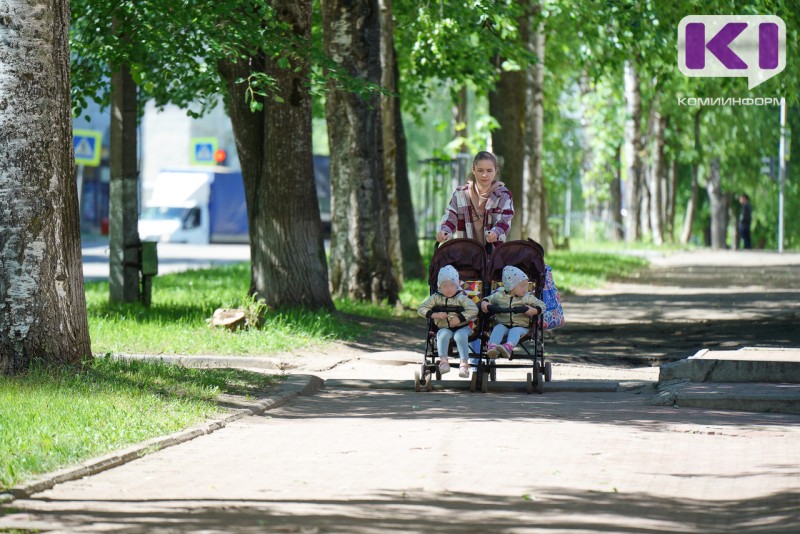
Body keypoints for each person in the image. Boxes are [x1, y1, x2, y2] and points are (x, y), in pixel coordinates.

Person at [436, 151, 514, 253]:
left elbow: (504, 221)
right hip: (465, 254)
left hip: (493, 254)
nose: (485, 175)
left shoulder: (504, 195)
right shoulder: (460, 194)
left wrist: (495, 233)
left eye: (489, 171)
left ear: (496, 171)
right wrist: (443, 232)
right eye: (480, 170)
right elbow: (450, 218)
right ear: (473, 169)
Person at [418, 265, 478, 378]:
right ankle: (444, 361)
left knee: (460, 336)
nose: (449, 289)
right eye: (445, 286)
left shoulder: (461, 298)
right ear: (439, 287)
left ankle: (464, 364)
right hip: (445, 327)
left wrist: (460, 318)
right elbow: (421, 309)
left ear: (457, 285)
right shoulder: (436, 298)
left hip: (463, 327)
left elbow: (474, 310)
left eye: (452, 285)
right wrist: (434, 314)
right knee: (442, 334)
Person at [480, 266, 545, 359]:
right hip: (503, 324)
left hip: (521, 327)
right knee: (498, 327)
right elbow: (487, 299)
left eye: (526, 285)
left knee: (515, 330)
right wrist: (484, 303)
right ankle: (492, 347)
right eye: (522, 286)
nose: (526, 289)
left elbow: (541, 304)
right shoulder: (499, 296)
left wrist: (534, 310)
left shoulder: (527, 297)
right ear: (511, 286)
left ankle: (508, 347)